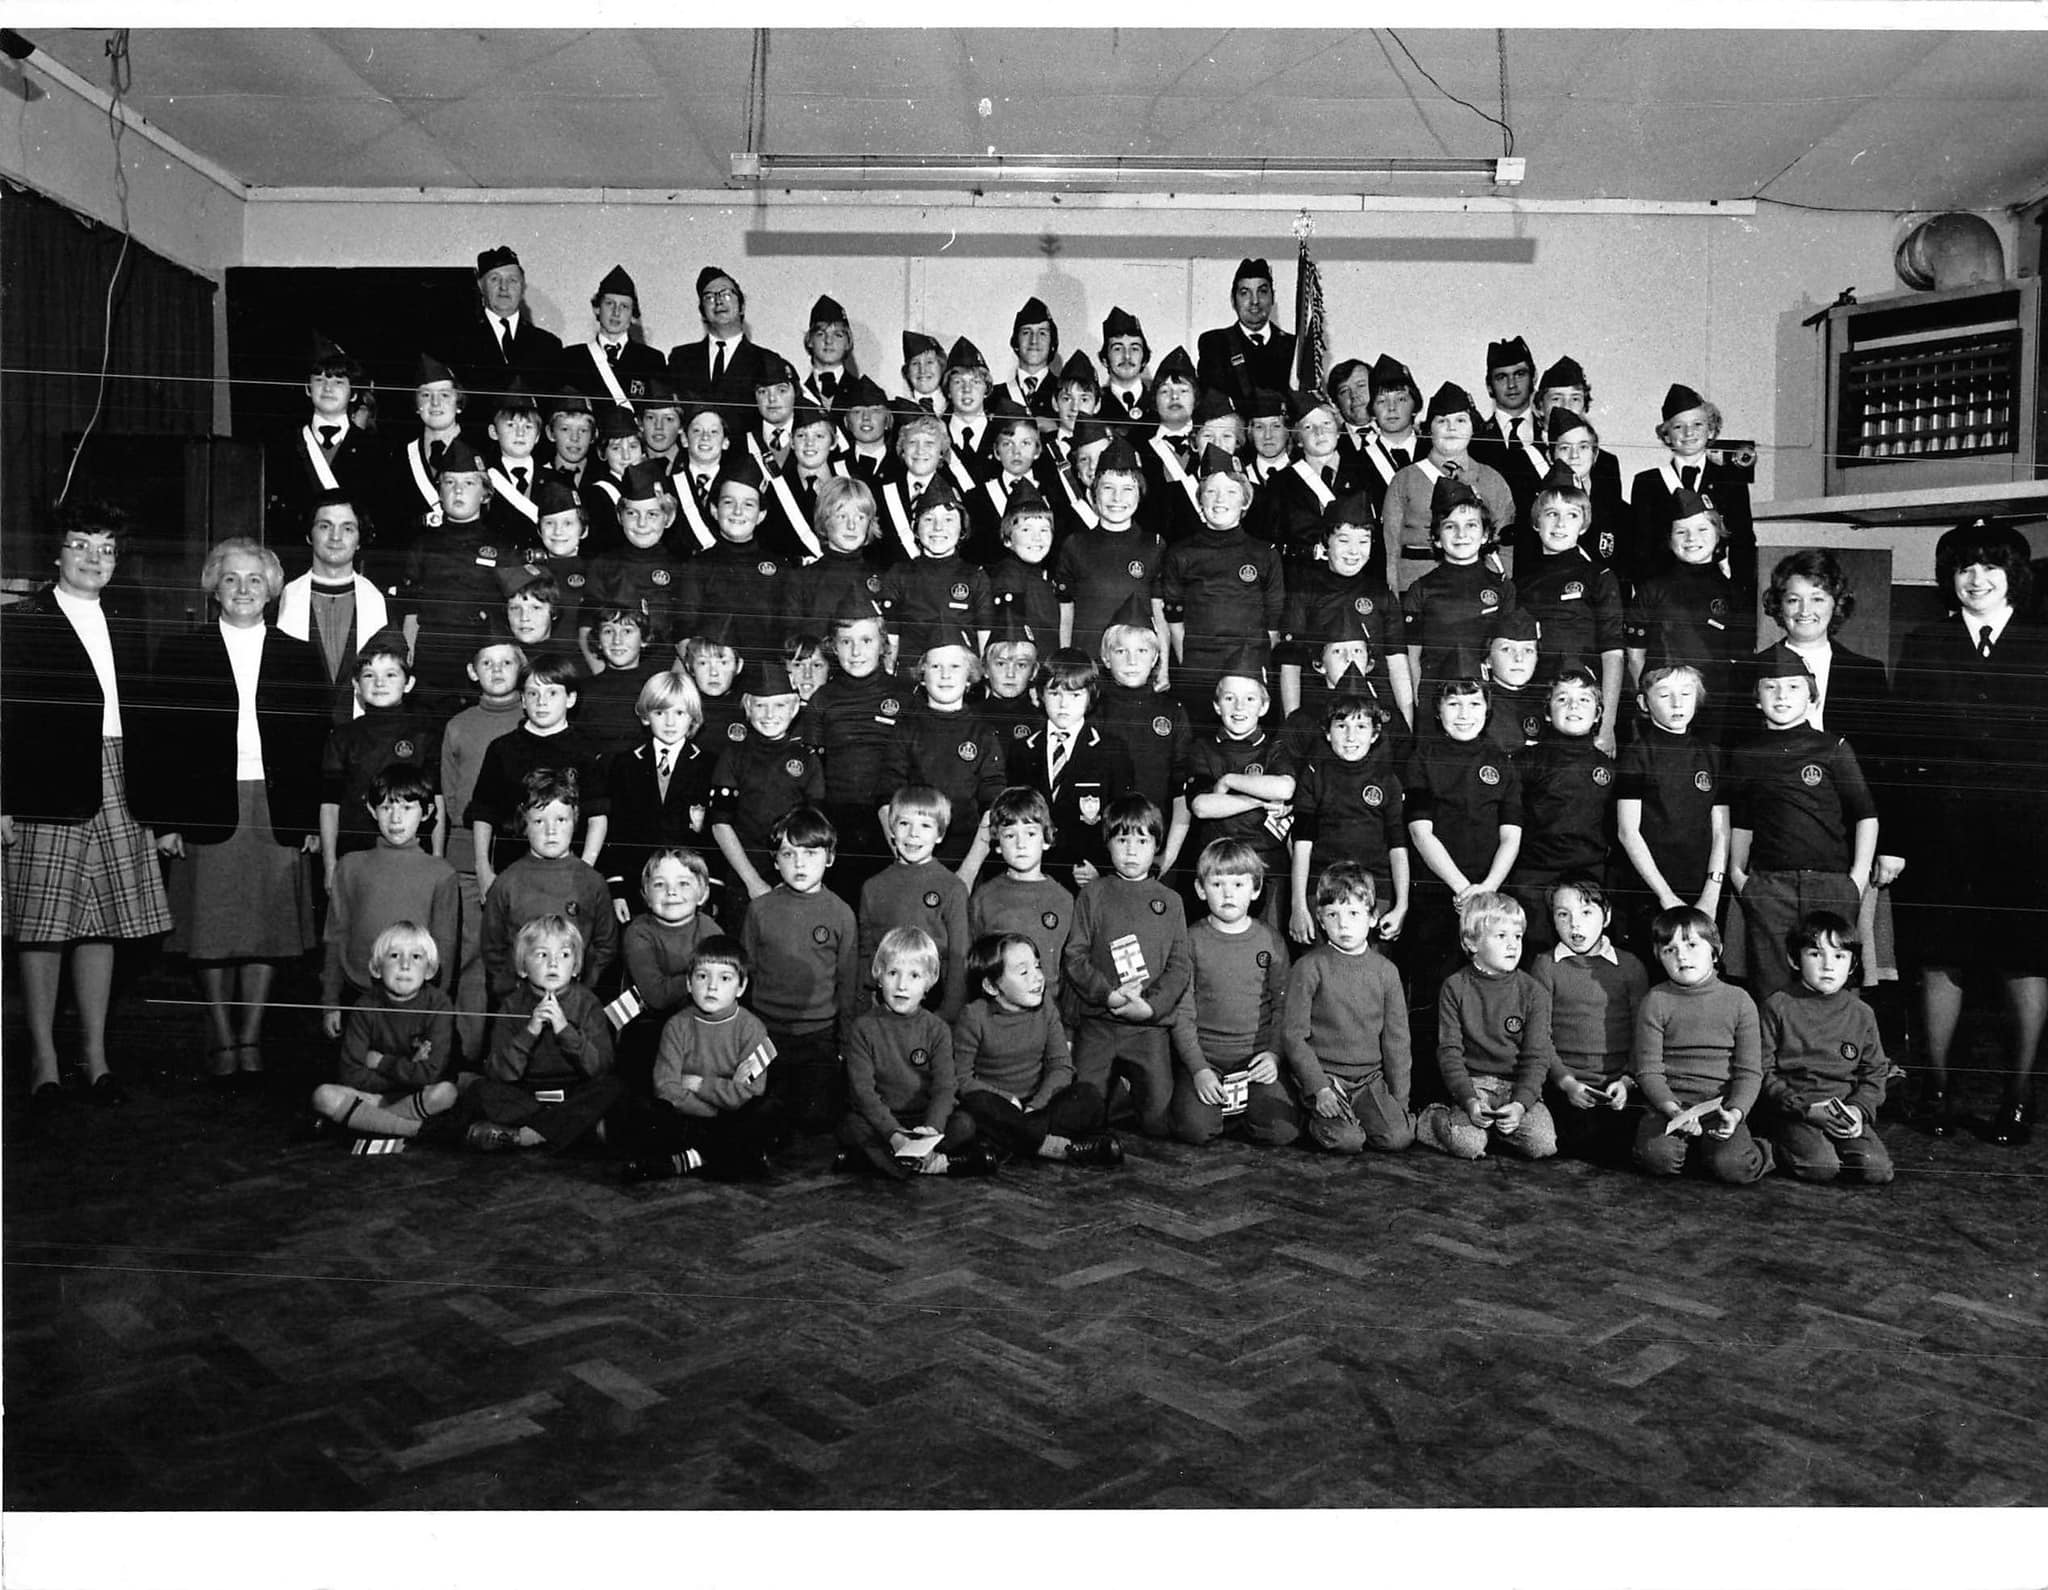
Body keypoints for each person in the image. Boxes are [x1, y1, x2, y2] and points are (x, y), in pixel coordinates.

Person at [1, 506, 174, 1104]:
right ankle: (44, 1058)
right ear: (57, 553)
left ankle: (95, 1055)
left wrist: (157, 803)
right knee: (44, 926)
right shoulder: (20, 622)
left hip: (120, 775)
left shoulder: (127, 619)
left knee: (104, 922)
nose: (93, 558)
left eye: (105, 549)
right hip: (45, 785)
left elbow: (148, 712)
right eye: (80, 545)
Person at [144, 537, 330, 1086]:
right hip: (207, 803)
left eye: (254, 580)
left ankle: (250, 1037)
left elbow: (315, 741)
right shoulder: (183, 652)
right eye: (231, 579)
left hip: (275, 807)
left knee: (268, 928)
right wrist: (167, 821)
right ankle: (221, 1035)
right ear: (213, 588)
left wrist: (308, 822)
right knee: (212, 930)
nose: (243, 589)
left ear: (271, 589)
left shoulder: (297, 653)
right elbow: (162, 741)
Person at [1889, 519, 2048, 1146]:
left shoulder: (2041, 644)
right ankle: (1935, 1088)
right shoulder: (1927, 641)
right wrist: (1900, 838)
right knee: (1940, 955)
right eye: (1963, 567)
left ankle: (2017, 1093)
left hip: (2027, 831)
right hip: (1944, 830)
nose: (1976, 579)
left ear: (2014, 576)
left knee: (2024, 958)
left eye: (1990, 566)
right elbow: (1904, 746)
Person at [1726, 644, 1878, 1005]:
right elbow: (1742, 822)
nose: (1781, 696)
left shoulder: (1833, 747)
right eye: (1770, 687)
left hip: (1830, 883)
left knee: (1833, 980)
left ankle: (1832, 1060)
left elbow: (1865, 815)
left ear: (1812, 696)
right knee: (1772, 982)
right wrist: (1739, 877)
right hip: (1770, 886)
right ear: (1756, 698)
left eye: (1794, 687)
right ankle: (1776, 1060)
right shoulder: (1746, 753)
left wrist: (1856, 881)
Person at [1062, 794, 1192, 1139]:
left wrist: (1150, 1006)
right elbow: (1075, 956)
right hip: (1099, 1025)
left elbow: (1179, 966)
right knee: (1083, 1119)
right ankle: (1112, 1094)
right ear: (1108, 844)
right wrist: (1108, 996)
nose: (1132, 851)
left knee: (1157, 1124)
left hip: (1148, 1028)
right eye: (1122, 840)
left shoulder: (1171, 901)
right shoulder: (1093, 895)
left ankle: (1125, 1093)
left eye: (1142, 840)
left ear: (1157, 846)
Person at [616, 936, 789, 1184]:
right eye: (702, 977)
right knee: (643, 1109)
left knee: (766, 1112)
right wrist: (717, 1104)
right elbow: (666, 1087)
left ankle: (692, 1159)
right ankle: (721, 1157)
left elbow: (751, 1091)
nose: (712, 987)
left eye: (725, 978)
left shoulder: (752, 1028)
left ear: (741, 987)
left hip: (732, 1116)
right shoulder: (677, 1025)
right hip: (694, 1115)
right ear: (688, 983)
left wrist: (698, 1084)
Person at [1167, 839, 1300, 1149]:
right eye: (1217, 883)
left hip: (1256, 1061)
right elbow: (1182, 1013)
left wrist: (1274, 1055)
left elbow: (1284, 1007)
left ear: (1255, 890)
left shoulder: (1270, 940)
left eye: (1238, 884)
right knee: (1193, 1130)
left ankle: (1244, 1108)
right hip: (1207, 1059)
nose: (1228, 893)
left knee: (1282, 1132)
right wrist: (1198, 1069)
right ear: (1201, 889)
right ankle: (1220, 1106)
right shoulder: (1191, 940)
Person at [738, 806, 860, 1133]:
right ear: (775, 861)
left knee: (817, 1119)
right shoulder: (760, 910)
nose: (799, 863)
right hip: (765, 1033)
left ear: (829, 858)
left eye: (810, 853)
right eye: (788, 854)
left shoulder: (841, 913)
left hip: (817, 1037)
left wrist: (844, 1048)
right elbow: (743, 978)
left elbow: (847, 986)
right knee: (756, 1108)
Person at [1630, 905, 1773, 1184]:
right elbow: (1648, 1070)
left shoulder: (1740, 1000)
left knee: (1734, 1167)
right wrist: (1672, 1109)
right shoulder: (1655, 1000)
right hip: (1669, 1107)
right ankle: (1694, 1151)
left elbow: (1749, 1072)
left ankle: (1759, 1150)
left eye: (1692, 944)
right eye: (1669, 950)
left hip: (1719, 1107)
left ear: (1715, 950)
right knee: (1656, 1158)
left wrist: (1735, 1112)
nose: (1682, 956)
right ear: (1659, 957)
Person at [953, 933, 1123, 1167]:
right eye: (1023, 972)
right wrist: (1008, 1100)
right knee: (973, 1110)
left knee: (1088, 1097)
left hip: (1038, 1107)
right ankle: (1059, 1149)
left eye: (1037, 966)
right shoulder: (973, 1016)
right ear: (991, 986)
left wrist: (1036, 1107)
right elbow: (961, 1078)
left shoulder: (1046, 1008)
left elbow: (1061, 1066)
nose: (1037, 978)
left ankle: (1014, 1142)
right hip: (998, 1106)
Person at [1414, 891, 1561, 1160]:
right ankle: (1432, 1119)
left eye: (1517, 936)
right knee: (1467, 1145)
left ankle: (1496, 1130)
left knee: (1543, 1144)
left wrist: (1519, 1105)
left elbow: (1537, 1057)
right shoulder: (1455, 987)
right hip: (1473, 1085)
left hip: (1515, 1087)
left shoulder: (1534, 992)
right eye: (1501, 936)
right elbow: (1449, 1052)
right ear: (1471, 942)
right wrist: (1469, 1100)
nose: (1513, 945)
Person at [836, 927, 993, 1178]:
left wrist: (931, 1130)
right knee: (851, 1127)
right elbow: (864, 1093)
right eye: (893, 973)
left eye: (914, 976)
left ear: (929, 981)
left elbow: (944, 1087)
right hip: (882, 1121)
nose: (902, 985)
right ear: (878, 975)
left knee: (964, 1124)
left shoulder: (937, 1029)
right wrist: (894, 1135)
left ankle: (883, 1163)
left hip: (922, 1119)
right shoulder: (863, 1028)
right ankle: (935, 1165)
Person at [318, 766, 460, 1042]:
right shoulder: (350, 866)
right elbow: (335, 937)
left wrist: (436, 1011)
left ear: (428, 812)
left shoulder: (441, 873)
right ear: (372, 811)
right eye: (385, 807)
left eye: (407, 807)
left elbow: (445, 948)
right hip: (359, 995)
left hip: (417, 1001)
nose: (396, 818)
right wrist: (330, 1002)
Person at [1281, 862, 1414, 1154]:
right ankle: (1314, 1116)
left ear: (1372, 917)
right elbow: (1293, 1036)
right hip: (1327, 1080)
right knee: (1348, 1141)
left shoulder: (1386, 971)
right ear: (1320, 918)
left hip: (1369, 1081)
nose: (1343, 925)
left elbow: (1397, 1041)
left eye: (1354, 913)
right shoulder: (1309, 967)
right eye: (1333, 915)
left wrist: (1399, 1102)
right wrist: (1318, 1087)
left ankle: (1367, 1117)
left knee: (1398, 1137)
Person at [1755, 910, 1894, 1185]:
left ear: (1853, 964)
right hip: (1795, 1110)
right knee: (1821, 1167)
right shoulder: (1778, 1006)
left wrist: (1858, 1110)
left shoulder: (1861, 1013)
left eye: (1840, 956)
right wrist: (1803, 1108)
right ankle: (1771, 1145)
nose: (1828, 965)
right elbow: (1762, 1070)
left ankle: (1827, 1147)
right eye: (1816, 954)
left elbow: (1875, 1072)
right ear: (1794, 960)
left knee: (1877, 1170)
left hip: (1842, 1110)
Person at [462, 914, 619, 1154]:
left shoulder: (588, 1004)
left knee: (612, 1087)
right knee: (480, 1090)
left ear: (576, 967)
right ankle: (572, 1130)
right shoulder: (512, 1005)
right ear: (523, 968)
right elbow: (499, 1072)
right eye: (542, 955)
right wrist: (531, 1030)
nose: (553, 963)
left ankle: (526, 1136)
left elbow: (599, 1067)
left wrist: (564, 1029)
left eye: (564, 955)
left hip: (572, 1092)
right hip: (527, 1094)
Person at [311, 921, 461, 1151]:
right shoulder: (365, 1007)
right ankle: (416, 1131)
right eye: (394, 956)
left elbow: (431, 1074)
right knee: (324, 1096)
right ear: (376, 968)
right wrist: (409, 1068)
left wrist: (380, 1062)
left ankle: (365, 1124)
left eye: (416, 957)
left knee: (446, 1093)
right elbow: (351, 1074)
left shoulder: (439, 1004)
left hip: (417, 1095)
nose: (404, 965)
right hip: (374, 1097)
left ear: (430, 970)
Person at [1532, 877, 1650, 1165]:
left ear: (1606, 915)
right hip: (1566, 1086)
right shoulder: (1546, 966)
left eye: (1586, 912)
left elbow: (1644, 1035)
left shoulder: (1630, 966)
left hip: (1618, 1087)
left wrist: (1627, 1080)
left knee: (1625, 1152)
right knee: (1572, 1147)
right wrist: (1566, 1083)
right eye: (1563, 914)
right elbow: (1538, 1037)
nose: (1575, 925)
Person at [479, 768, 619, 1000]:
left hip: (575, 1003)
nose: (551, 831)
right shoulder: (507, 882)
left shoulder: (592, 882)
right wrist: (515, 993)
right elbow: (493, 950)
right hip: (521, 1003)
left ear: (575, 819)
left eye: (561, 820)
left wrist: (582, 988)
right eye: (539, 821)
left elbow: (606, 945)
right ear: (524, 823)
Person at [1626, 383, 1754, 600]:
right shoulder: (1648, 482)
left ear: (1711, 430)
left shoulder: (1730, 481)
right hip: (1664, 594)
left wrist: (1739, 596)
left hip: (1716, 591)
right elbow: (1640, 548)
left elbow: (1743, 543)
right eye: (1678, 427)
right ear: (1666, 435)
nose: (1688, 433)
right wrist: (1649, 597)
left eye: (1697, 424)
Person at [277, 489, 395, 721]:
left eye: (348, 528)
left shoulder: (378, 602)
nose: (335, 537)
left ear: (360, 539)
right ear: (309, 535)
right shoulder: (282, 598)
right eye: (325, 526)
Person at [858, 785, 972, 1023]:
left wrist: (948, 1014)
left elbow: (959, 957)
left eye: (925, 826)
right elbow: (866, 955)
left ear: (940, 834)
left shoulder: (952, 888)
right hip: (884, 1007)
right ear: (892, 829)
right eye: (904, 824)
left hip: (934, 1008)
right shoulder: (873, 886)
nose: (913, 834)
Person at [966, 786, 1075, 1012]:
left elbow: (1071, 972)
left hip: (1049, 1019)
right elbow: (974, 969)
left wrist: (1069, 1031)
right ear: (997, 844)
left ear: (1046, 839)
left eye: (1030, 833)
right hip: (996, 1018)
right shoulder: (984, 897)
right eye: (1009, 835)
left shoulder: (1063, 900)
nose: (1021, 844)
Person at [451, 246, 564, 410]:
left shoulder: (548, 345)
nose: (504, 287)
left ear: (522, 286)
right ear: (480, 285)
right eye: (495, 279)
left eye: (512, 280)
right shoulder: (459, 342)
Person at [666, 264, 777, 409]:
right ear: (702, 312)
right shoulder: (681, 359)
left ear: (742, 306)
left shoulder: (766, 360)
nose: (718, 301)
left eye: (726, 294)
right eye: (709, 297)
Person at [1196, 257, 1297, 411]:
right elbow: (1213, 402)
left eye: (1262, 291)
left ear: (1273, 298)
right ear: (1233, 300)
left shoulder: (1293, 345)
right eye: (1245, 293)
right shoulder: (1215, 343)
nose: (1255, 301)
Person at [560, 263, 665, 408]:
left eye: (624, 306)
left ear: (633, 316)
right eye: (609, 303)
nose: (616, 312)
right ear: (597, 308)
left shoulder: (652, 360)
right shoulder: (572, 358)